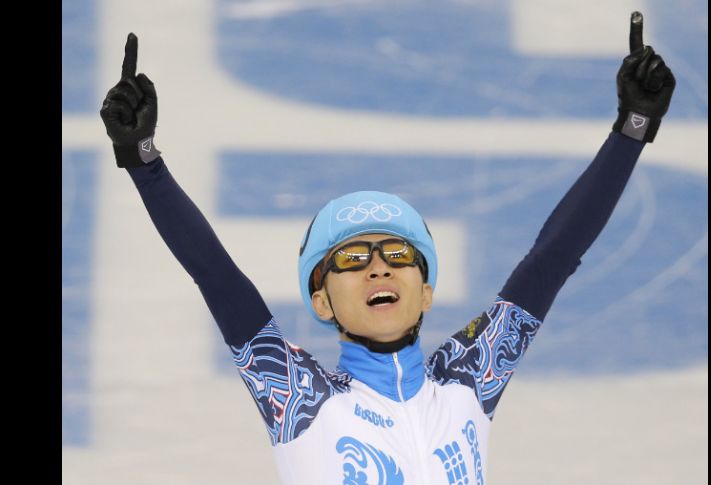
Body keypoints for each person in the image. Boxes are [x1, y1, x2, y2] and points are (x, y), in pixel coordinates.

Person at [99, 11, 674, 485]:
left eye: (398, 256)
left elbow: (553, 258)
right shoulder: (300, 396)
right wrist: (144, 160)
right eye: (351, 260)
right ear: (321, 302)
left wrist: (634, 126)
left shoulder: (468, 382)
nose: (378, 268)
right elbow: (217, 276)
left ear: (426, 293)